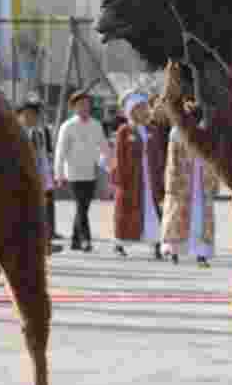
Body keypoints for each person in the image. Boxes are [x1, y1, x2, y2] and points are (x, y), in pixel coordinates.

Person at [110, 90, 167, 258]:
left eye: (145, 108)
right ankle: (120, 242)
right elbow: (118, 157)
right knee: (126, 212)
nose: (144, 111)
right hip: (131, 179)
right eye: (140, 108)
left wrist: (161, 176)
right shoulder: (124, 131)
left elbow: (158, 154)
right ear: (131, 111)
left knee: (152, 210)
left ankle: (156, 243)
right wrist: (120, 180)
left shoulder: (152, 130)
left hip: (149, 179)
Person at [54, 90, 111, 252]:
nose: (84, 107)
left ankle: (75, 240)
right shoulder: (68, 126)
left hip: (90, 172)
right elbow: (60, 151)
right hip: (72, 173)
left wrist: (111, 166)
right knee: (81, 205)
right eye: (80, 105)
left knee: (83, 206)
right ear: (74, 107)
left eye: (87, 104)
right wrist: (58, 174)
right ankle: (86, 239)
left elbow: (104, 147)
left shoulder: (96, 125)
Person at [161, 125, 219, 267]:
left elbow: (215, 158)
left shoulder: (210, 130)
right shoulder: (177, 131)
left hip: (203, 179)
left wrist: (214, 181)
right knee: (177, 214)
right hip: (183, 179)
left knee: (201, 217)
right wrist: (172, 182)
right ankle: (174, 250)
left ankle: (202, 253)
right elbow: (172, 159)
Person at [17, 95, 62, 255]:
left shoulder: (39, 134)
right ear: (20, 115)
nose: (31, 118)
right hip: (17, 181)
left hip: (36, 181)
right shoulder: (13, 133)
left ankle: (43, 244)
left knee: (38, 214)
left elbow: (43, 158)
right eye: (27, 114)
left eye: (35, 115)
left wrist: (47, 181)